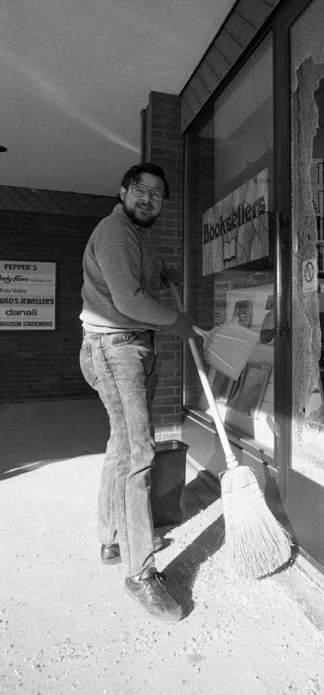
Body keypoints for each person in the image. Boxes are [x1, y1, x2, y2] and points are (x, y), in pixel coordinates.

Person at [79, 162, 195, 620]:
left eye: (158, 194)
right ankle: (140, 572)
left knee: (122, 447)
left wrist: (162, 272)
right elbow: (127, 300)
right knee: (141, 453)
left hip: (128, 346)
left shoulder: (135, 237)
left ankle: (113, 538)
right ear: (123, 191)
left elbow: (136, 280)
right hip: (116, 348)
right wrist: (176, 321)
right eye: (141, 190)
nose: (149, 199)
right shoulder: (115, 232)